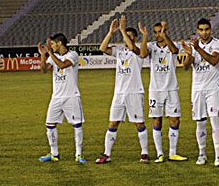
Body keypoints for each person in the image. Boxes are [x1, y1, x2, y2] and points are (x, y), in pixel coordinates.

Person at [96, 15, 149, 164]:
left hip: (134, 92)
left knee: (139, 123)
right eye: (127, 36)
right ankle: (107, 154)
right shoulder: (119, 52)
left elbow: (132, 47)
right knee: (113, 123)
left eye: (131, 36)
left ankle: (144, 153)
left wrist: (123, 30)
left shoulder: (138, 52)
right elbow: (102, 48)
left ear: (136, 38)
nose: (128, 39)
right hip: (119, 93)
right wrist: (111, 32)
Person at [140, 21, 186, 163]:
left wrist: (165, 34)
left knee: (174, 119)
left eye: (160, 31)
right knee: (157, 120)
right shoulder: (150, 46)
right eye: (156, 32)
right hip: (155, 90)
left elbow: (174, 51)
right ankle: (160, 153)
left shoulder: (174, 44)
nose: (158, 34)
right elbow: (142, 55)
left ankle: (173, 152)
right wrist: (145, 36)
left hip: (171, 88)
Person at [181, 18, 219, 166]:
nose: (204, 32)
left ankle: (218, 157)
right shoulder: (194, 46)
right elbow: (186, 67)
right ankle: (202, 154)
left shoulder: (217, 44)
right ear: (197, 31)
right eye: (201, 30)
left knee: (214, 120)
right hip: (197, 89)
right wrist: (189, 54)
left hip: (213, 88)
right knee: (200, 122)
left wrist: (197, 49)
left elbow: (214, 61)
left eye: (206, 29)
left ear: (210, 30)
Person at [38, 33, 85, 163]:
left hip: (71, 96)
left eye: (53, 44)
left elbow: (63, 65)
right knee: (50, 124)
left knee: (77, 125)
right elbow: (44, 70)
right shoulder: (54, 56)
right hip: (56, 97)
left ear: (60, 44)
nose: (51, 46)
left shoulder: (73, 55)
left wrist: (50, 54)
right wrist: (43, 55)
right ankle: (54, 154)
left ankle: (79, 154)